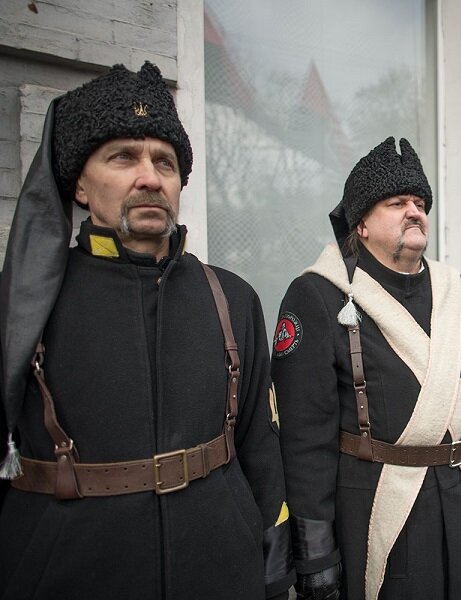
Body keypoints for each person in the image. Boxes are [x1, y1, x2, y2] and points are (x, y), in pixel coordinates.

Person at [0, 62, 294, 599]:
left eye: (166, 161)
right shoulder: (24, 309)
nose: (150, 177)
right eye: (122, 157)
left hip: (222, 575)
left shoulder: (231, 299)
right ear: (81, 188)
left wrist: (272, 549)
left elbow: (259, 444)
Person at [272, 137, 461, 600]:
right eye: (396, 202)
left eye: (420, 202)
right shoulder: (320, 294)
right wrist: (316, 549)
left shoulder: (456, 289)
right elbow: (305, 436)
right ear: (360, 223)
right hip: (375, 500)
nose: (414, 211)